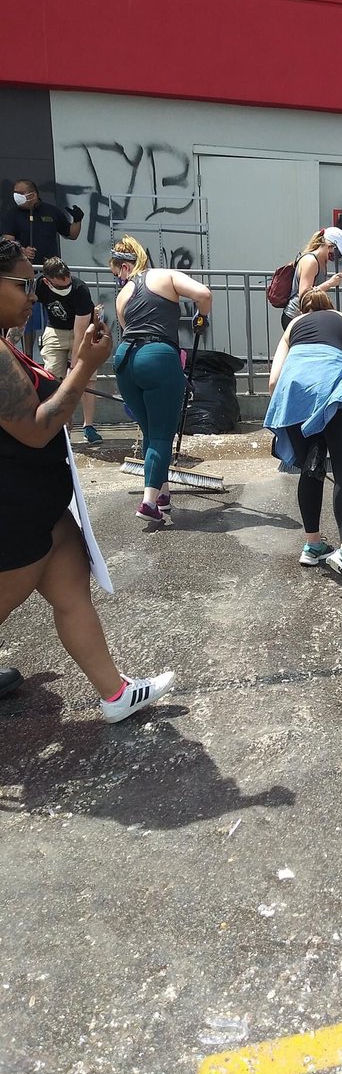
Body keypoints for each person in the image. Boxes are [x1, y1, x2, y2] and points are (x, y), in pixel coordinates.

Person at [0, 239, 175, 719]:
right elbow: (35, 429)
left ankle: (116, 694)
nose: (33, 295)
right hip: (13, 514)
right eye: (22, 284)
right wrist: (85, 366)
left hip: (39, 507)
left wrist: (79, 361)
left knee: (72, 586)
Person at [267, 288, 342, 595]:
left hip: (295, 394)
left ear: (303, 310)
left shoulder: (293, 327)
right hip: (333, 389)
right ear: (329, 306)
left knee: (310, 470)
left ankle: (313, 546)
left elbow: (274, 381)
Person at [110, 235, 212, 523]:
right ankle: (148, 503)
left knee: (150, 431)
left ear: (125, 266)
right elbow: (204, 294)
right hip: (157, 357)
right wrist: (200, 318)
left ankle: (163, 494)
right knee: (160, 434)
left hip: (125, 359)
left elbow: (127, 328)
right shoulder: (164, 275)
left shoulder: (123, 295)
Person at [1, 179, 84, 359]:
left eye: (20, 193)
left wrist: (77, 219)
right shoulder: (12, 215)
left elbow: (71, 233)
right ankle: (27, 355)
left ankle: (49, 352)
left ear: (32, 194)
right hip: (25, 276)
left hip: (50, 274)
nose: (16, 197)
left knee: (51, 312)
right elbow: (6, 242)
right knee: (27, 315)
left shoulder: (51, 212)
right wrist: (21, 250)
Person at [35, 257, 103, 444]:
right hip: (55, 331)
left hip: (80, 331)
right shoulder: (39, 286)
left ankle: (88, 426)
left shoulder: (79, 289)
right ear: (48, 281)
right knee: (51, 378)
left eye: (68, 282)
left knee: (87, 378)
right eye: (61, 285)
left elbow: (80, 333)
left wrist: (75, 366)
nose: (67, 286)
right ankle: (59, 425)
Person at [281, 227, 342, 331]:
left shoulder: (322, 261)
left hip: (307, 315)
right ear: (330, 246)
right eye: (338, 253)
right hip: (296, 316)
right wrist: (329, 283)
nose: (337, 257)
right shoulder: (311, 261)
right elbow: (305, 294)